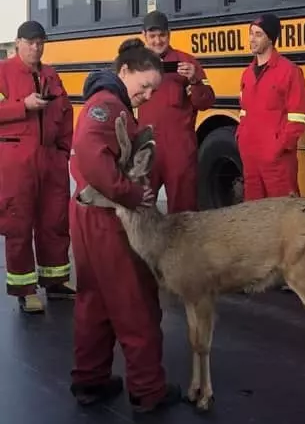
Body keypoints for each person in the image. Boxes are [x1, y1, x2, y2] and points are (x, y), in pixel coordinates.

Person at [68, 38, 181, 413]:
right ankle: (148, 391)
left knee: (95, 301)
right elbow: (90, 153)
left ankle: (90, 379)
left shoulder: (106, 102)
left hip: (88, 216)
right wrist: (129, 194)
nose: (147, 95)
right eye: (144, 85)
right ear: (124, 71)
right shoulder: (107, 105)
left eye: (152, 89)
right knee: (136, 302)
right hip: (107, 219)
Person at [0, 20, 74, 313]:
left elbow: (66, 112)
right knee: (18, 224)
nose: (36, 47)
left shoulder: (51, 75)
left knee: (54, 222)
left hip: (51, 160)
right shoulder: (3, 72)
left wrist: (64, 151)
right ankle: (24, 290)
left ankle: (55, 282)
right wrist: (22, 105)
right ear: (17, 43)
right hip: (16, 162)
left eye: (40, 42)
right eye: (30, 42)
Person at [138, 10, 215, 213]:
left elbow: (206, 102)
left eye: (162, 35)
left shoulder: (187, 62)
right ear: (143, 35)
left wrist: (195, 80)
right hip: (147, 149)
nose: (157, 41)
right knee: (140, 208)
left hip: (179, 150)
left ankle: (184, 246)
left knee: (184, 212)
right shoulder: (135, 65)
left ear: (169, 34)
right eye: (152, 36)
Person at [237, 13, 305, 201]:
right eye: (251, 33)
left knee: (284, 217)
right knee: (255, 217)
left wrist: (278, 148)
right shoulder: (247, 74)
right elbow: (244, 112)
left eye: (258, 34)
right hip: (251, 159)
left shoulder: (290, 72)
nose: (252, 39)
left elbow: (298, 118)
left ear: (270, 39)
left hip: (277, 162)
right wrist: (242, 139)